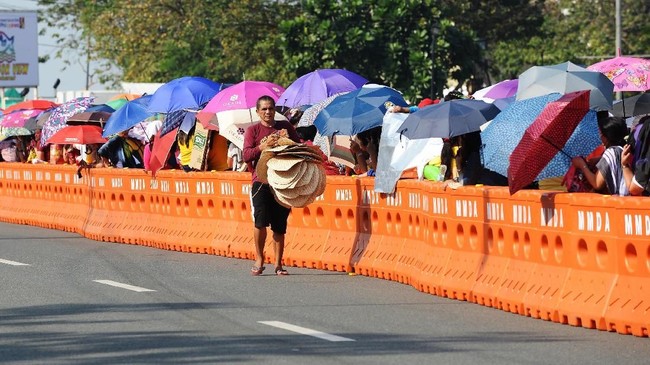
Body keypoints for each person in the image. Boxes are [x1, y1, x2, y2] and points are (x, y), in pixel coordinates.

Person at [243, 95, 301, 276]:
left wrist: (286, 143)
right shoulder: (252, 131)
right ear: (258, 112)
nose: (268, 112)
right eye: (264, 109)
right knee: (260, 222)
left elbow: (297, 147)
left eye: (271, 108)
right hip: (261, 182)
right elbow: (246, 155)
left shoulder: (285, 127)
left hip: (283, 182)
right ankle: (259, 258)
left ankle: (278, 263)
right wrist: (263, 147)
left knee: (279, 225)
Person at [572, 116, 629, 196]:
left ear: (607, 136)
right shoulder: (624, 149)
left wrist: (582, 165)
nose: (600, 137)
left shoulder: (611, 152)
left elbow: (597, 183)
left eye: (601, 134)